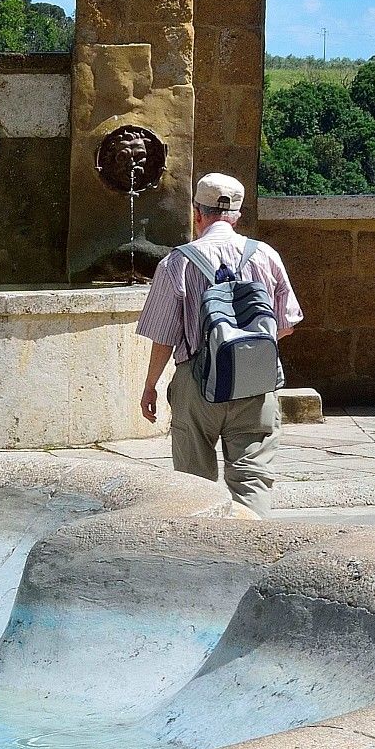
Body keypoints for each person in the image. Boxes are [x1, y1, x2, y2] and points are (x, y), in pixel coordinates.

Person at [136, 172, 304, 513]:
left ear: (197, 213)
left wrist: (151, 385)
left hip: (197, 383)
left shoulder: (177, 262)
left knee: (193, 485)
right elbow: (286, 324)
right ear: (237, 216)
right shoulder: (266, 256)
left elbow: (164, 337)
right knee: (252, 479)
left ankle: (202, 555)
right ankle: (250, 555)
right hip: (256, 382)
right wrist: (245, 350)